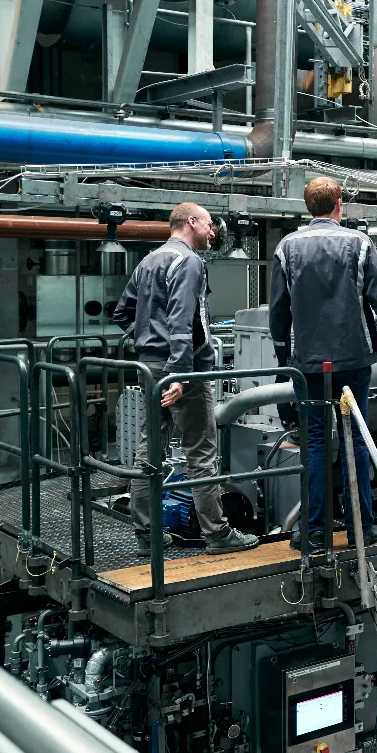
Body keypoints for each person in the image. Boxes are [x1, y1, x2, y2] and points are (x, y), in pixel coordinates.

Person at [270, 177, 377, 551]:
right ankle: (360, 528)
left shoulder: (287, 247)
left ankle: (314, 532)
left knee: (315, 443)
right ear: (337, 204)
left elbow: (278, 311)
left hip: (310, 364)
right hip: (353, 360)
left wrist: (285, 359)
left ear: (308, 206)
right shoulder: (359, 243)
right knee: (356, 441)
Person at [112, 203, 259, 556]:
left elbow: (121, 312)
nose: (213, 231)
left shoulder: (150, 260)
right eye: (209, 224)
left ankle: (147, 534)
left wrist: (148, 341)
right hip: (183, 371)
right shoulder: (189, 261)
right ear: (191, 222)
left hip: (150, 367)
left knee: (150, 449)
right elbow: (181, 322)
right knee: (201, 451)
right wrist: (179, 371)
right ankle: (217, 533)